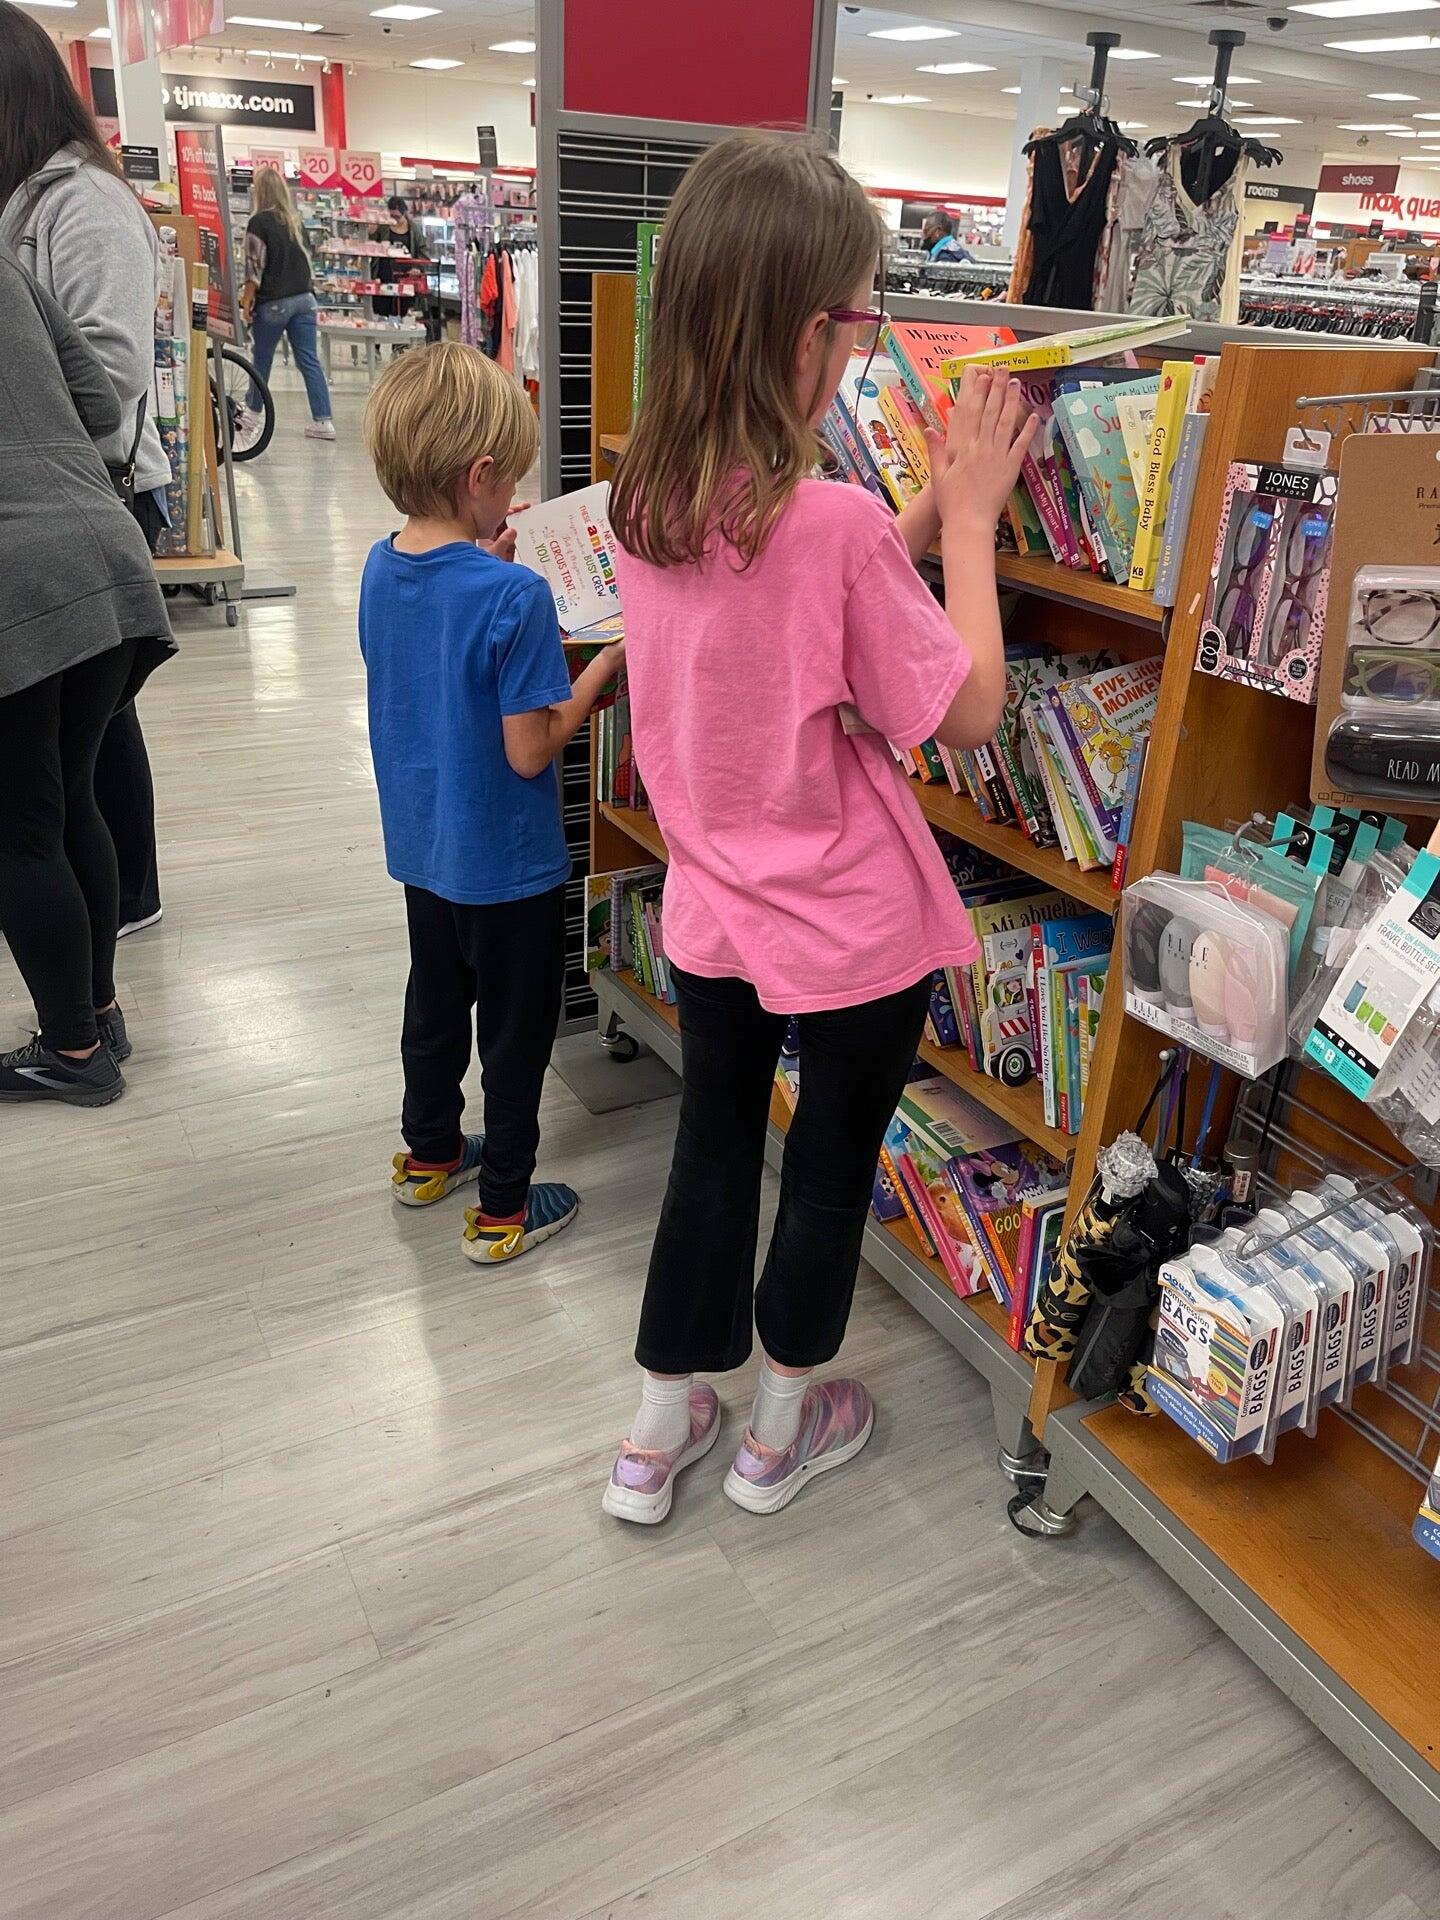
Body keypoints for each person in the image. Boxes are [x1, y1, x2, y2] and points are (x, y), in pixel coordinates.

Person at [602, 130, 1034, 1525]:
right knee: (830, 1173)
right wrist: (972, 523)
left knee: (713, 1152)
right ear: (806, 337)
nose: (860, 348)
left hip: (715, 913)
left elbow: (795, 608)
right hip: (850, 930)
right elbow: (969, 713)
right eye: (856, 323)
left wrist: (912, 515)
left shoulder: (645, 498)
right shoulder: (832, 525)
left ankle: (657, 1430)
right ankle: (780, 1434)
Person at [359, 343, 623, 1263]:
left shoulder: (379, 565)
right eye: (510, 480)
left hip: (424, 848)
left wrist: (481, 561)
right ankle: (506, 1207)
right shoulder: (516, 595)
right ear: (479, 477)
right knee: (515, 1037)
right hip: (510, 866)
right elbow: (530, 748)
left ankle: (430, 1154)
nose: (514, 498)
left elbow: (432, 663)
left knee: (434, 1007)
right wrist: (605, 663)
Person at [0, 0, 169, 940]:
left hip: (93, 490)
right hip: (54, 497)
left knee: (92, 730)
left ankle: (126, 895)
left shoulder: (83, 202)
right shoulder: (27, 201)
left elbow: (113, 367)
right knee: (77, 734)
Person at [0, 245, 173, 1107]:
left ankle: (72, 1051)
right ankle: (98, 1013)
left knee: (18, 830)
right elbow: (104, 404)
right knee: (71, 799)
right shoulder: (11, 270)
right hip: (107, 551)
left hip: (17, 577)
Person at [241, 166, 335, 442]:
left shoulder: (258, 222)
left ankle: (251, 417)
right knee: (309, 360)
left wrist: (246, 302)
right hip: (305, 299)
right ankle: (324, 421)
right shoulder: (294, 221)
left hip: (274, 302)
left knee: (261, 359)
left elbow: (254, 267)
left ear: (259, 191)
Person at [370, 193, 429, 321]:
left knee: (403, 310)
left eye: (397, 216)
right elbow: (371, 245)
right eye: (392, 216)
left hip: (406, 276)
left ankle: (401, 332)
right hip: (384, 274)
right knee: (382, 309)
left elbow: (422, 250)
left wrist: (418, 267)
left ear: (404, 213)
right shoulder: (383, 227)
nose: (395, 220)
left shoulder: (413, 229)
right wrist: (372, 232)